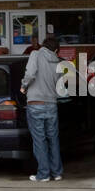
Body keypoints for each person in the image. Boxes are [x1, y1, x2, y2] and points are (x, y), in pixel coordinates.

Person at [21, 35, 64, 182]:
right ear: (56, 50)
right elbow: (59, 87)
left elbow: (30, 73)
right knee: (53, 139)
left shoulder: (35, 54)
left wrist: (24, 86)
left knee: (39, 140)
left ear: (43, 45)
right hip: (51, 104)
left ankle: (43, 174)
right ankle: (57, 173)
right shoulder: (57, 62)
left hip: (36, 103)